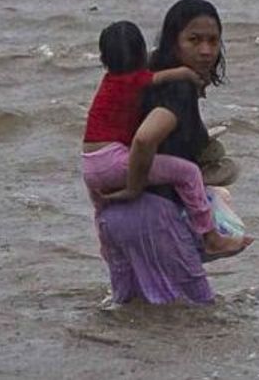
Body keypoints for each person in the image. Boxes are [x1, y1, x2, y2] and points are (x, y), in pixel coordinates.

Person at [92, 0, 253, 305]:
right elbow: (145, 138)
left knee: (128, 315)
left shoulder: (141, 79)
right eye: (194, 40)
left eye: (213, 41)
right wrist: (136, 185)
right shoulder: (178, 89)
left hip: (114, 220)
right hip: (153, 216)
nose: (206, 51)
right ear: (173, 42)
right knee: (198, 314)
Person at [81, 21, 245, 258]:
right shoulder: (135, 79)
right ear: (140, 53)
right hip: (114, 161)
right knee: (187, 173)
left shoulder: (108, 82)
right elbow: (162, 77)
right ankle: (210, 236)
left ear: (104, 59)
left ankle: (108, 248)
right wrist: (188, 74)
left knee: (103, 207)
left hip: (90, 164)